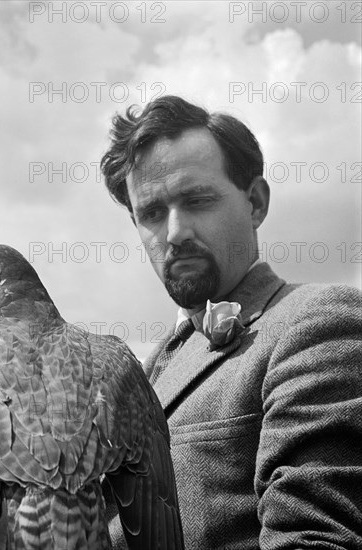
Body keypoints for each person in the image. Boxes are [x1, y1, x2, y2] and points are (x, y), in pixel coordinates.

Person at [100, 95, 362, 549]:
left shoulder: (319, 322)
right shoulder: (143, 372)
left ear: (255, 202)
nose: (174, 232)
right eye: (151, 214)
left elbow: (314, 540)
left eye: (197, 200)